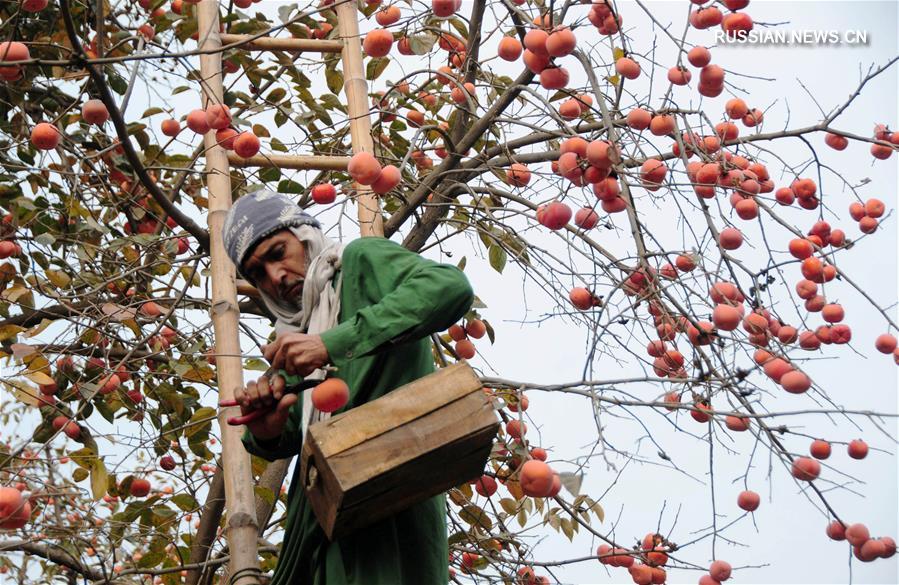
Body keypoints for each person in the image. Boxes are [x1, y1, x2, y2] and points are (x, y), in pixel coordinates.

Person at [222, 188, 474, 585]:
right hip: (319, 527)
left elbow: (448, 288)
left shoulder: (358, 262)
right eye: (257, 273)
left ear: (304, 236)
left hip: (389, 499)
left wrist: (331, 344)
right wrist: (267, 430)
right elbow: (295, 432)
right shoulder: (296, 335)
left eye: (277, 253)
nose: (274, 277)